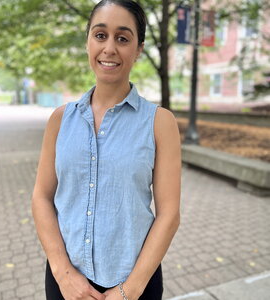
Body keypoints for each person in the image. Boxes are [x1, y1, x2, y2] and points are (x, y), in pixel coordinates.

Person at [32, 1, 181, 299]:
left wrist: (130, 289)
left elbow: (169, 214)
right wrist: (63, 274)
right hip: (67, 281)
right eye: (100, 35)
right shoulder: (60, 120)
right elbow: (41, 197)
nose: (109, 48)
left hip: (135, 283)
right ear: (88, 41)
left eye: (123, 38)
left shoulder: (159, 122)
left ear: (138, 49)